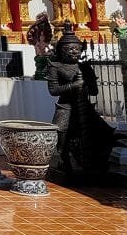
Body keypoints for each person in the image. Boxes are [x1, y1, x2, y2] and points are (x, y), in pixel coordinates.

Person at [44, 22, 119, 178]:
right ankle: (62, 158)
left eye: (77, 49)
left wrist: (89, 82)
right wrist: (73, 85)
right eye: (70, 49)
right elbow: (53, 90)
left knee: (103, 132)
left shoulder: (84, 67)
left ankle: (97, 159)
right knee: (60, 131)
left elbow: (94, 91)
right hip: (65, 106)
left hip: (84, 105)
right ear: (61, 51)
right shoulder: (56, 66)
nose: (74, 52)